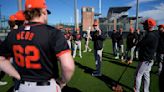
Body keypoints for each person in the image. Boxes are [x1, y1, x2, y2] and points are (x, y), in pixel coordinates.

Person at [0, 0, 75, 92]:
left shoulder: (12, 34)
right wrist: (62, 82)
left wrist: (17, 75)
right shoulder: (52, 33)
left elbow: (1, 60)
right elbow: (68, 67)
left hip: (21, 87)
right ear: (43, 11)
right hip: (46, 87)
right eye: (46, 13)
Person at [134, 18, 159, 92]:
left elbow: (139, 44)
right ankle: (146, 90)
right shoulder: (154, 34)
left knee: (138, 75)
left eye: (144, 25)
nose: (143, 26)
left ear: (149, 26)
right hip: (149, 58)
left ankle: (137, 90)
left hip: (145, 59)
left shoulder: (150, 35)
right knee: (146, 75)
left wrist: (140, 39)